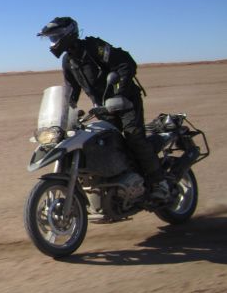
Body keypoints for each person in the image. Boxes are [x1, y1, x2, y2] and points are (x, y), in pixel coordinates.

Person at [36, 16, 170, 201]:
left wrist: (119, 93)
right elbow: (71, 91)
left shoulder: (93, 48)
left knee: (133, 138)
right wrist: (64, 114)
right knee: (106, 143)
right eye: (51, 38)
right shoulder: (69, 61)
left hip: (126, 102)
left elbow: (125, 64)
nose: (53, 42)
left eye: (55, 37)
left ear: (67, 34)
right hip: (103, 109)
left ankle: (159, 183)